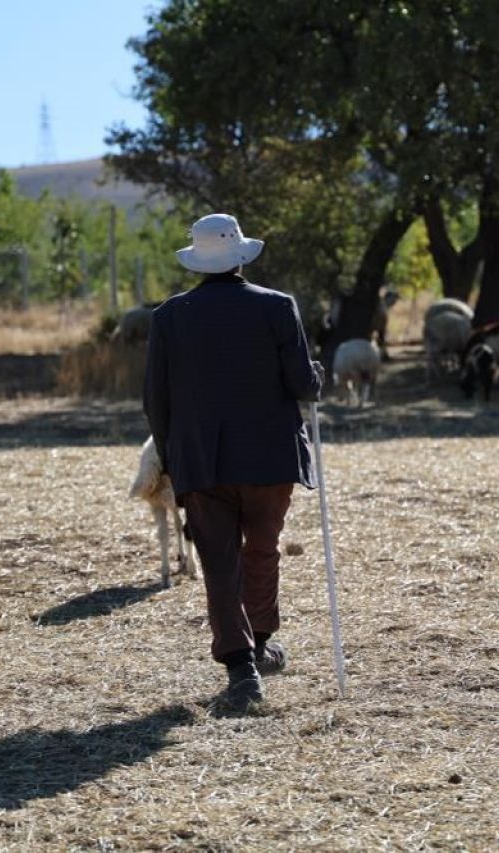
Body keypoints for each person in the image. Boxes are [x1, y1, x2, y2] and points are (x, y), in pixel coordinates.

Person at [143, 213, 323, 711]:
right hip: (269, 455)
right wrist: (317, 376)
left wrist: (172, 453)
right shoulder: (277, 306)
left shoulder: (169, 317)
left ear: (198, 259)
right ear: (241, 254)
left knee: (218, 562)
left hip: (201, 459)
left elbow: (155, 399)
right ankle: (260, 644)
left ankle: (241, 668)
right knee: (262, 549)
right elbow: (302, 387)